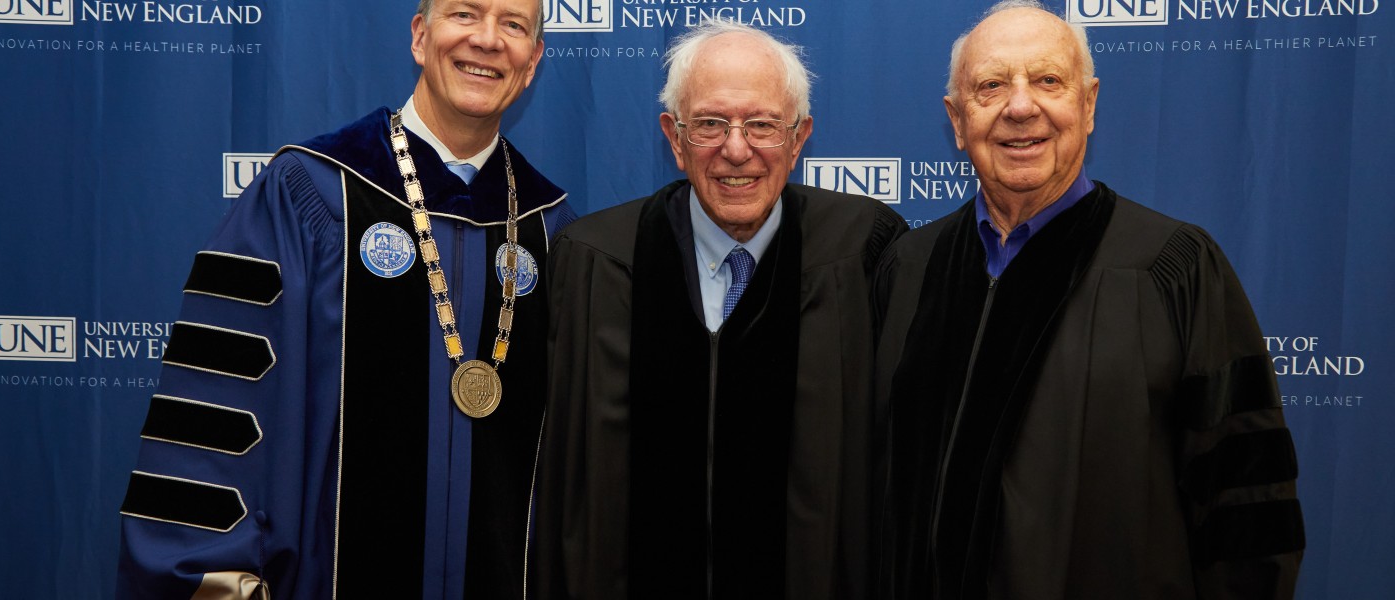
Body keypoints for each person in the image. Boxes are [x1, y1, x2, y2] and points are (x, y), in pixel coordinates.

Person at [115, 1, 574, 598]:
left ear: (533, 60)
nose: (488, 40)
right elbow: (215, 414)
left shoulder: (549, 227)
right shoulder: (310, 194)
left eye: (513, 25)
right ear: (419, 35)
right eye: (465, 13)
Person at [873, 2, 1305, 598]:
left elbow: (1247, 503)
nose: (1020, 107)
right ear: (956, 117)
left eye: (1048, 81)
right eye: (991, 86)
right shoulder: (909, 270)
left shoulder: (1172, 268)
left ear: (1089, 103)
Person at [532, 20, 907, 600]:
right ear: (674, 138)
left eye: (762, 124)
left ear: (799, 137)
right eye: (709, 124)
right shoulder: (596, 263)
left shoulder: (863, 255)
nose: (737, 149)